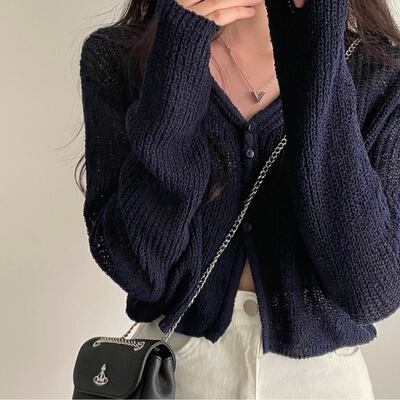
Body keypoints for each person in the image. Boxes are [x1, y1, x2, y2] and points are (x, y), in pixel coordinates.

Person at [77, 0, 400, 397]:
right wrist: (180, 52)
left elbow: (371, 293)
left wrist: (318, 44)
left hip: (322, 381)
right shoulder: (119, 55)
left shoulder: (384, 74)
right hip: (172, 374)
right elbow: (137, 269)